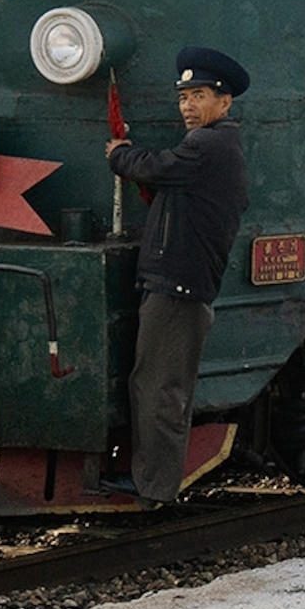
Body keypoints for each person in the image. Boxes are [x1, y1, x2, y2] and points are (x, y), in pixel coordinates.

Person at [105, 46, 252, 505]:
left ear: (224, 103)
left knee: (160, 386)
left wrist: (119, 153)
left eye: (199, 95)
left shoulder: (209, 145)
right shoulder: (217, 146)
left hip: (178, 287)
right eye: (183, 97)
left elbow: (155, 167)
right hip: (176, 284)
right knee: (155, 382)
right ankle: (152, 480)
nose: (188, 106)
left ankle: (155, 487)